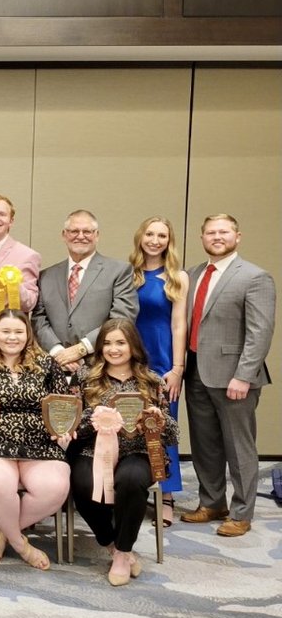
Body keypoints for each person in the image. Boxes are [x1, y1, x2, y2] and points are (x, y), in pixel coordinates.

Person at [180, 214, 275, 537]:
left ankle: (241, 512)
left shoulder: (254, 277)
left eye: (224, 232)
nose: (217, 237)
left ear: (238, 236)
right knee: (204, 444)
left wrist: (244, 375)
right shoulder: (193, 274)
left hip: (235, 377)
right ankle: (212, 503)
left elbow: (260, 332)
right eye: (210, 232)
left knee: (239, 447)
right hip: (196, 371)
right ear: (202, 238)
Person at [0, 309, 71, 570]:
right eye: (5, 331)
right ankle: (21, 545)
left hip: (39, 443)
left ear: (28, 333)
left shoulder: (46, 363)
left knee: (54, 489)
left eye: (18, 331)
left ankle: (3, 532)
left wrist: (64, 426)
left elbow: (62, 403)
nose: (12, 337)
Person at [69, 319, 178, 586]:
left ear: (133, 346)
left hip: (138, 451)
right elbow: (69, 425)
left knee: (131, 480)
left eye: (120, 343)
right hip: (91, 450)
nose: (113, 349)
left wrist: (158, 420)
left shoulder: (152, 381)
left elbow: (173, 434)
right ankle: (112, 544)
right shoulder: (84, 378)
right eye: (107, 343)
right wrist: (94, 418)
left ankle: (123, 553)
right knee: (82, 483)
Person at [129, 216, 189, 525]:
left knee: (164, 427)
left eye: (162, 235)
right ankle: (132, 490)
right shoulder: (128, 274)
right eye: (150, 234)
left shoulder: (177, 277)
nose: (155, 240)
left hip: (164, 359)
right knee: (130, 425)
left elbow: (179, 325)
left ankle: (166, 495)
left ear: (169, 241)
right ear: (140, 237)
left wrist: (178, 368)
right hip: (129, 358)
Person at [32, 209, 138, 372]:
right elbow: (38, 319)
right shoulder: (46, 276)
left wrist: (81, 348)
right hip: (55, 367)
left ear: (97, 235)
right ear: (64, 235)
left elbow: (122, 318)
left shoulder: (119, 271)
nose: (80, 236)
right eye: (74, 231)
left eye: (87, 231)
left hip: (101, 367)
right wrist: (58, 352)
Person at [0, 193, 40, 313]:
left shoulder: (27, 255)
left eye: (2, 214)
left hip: (5, 323)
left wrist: (13, 283)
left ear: (11, 221)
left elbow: (30, 303)